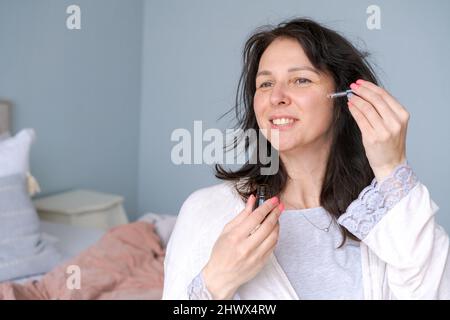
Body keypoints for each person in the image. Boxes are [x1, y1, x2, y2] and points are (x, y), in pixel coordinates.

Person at [162, 18, 450, 300]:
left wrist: (391, 169)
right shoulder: (206, 211)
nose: (276, 97)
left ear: (345, 100)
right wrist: (216, 281)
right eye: (265, 84)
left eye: (300, 80)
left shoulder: (385, 214)